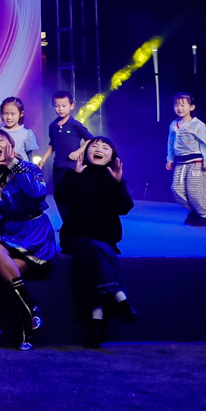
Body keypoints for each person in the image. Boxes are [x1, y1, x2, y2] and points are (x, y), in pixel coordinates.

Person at [0, 127, 58, 350]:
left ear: (10, 146)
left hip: (36, 232)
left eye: (0, 140)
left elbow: (35, 193)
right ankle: (31, 311)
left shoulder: (28, 167)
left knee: (5, 277)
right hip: (9, 232)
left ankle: (25, 331)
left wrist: (13, 164)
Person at [54, 136, 138, 345]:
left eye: (105, 147)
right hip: (76, 237)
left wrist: (118, 183)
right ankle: (120, 298)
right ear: (87, 152)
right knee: (95, 249)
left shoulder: (113, 178)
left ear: (112, 156)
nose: (99, 149)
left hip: (103, 240)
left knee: (96, 254)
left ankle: (96, 325)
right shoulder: (74, 174)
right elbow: (62, 199)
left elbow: (124, 208)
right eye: (95, 146)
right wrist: (75, 176)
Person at [165, 92, 206, 226]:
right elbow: (170, 143)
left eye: (183, 105)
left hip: (195, 163)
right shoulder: (173, 124)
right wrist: (170, 159)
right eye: (176, 105)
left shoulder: (198, 125)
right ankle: (195, 211)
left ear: (191, 107)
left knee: (194, 192)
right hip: (180, 163)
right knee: (176, 190)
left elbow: (205, 143)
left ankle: (204, 215)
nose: (179, 108)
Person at [45, 90, 89, 188]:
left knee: (71, 192)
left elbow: (90, 140)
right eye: (57, 106)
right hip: (58, 165)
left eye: (64, 106)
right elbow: (52, 144)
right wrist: (43, 160)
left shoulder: (75, 125)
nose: (60, 109)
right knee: (57, 191)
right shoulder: (52, 126)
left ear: (71, 106)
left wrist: (78, 152)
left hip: (72, 166)